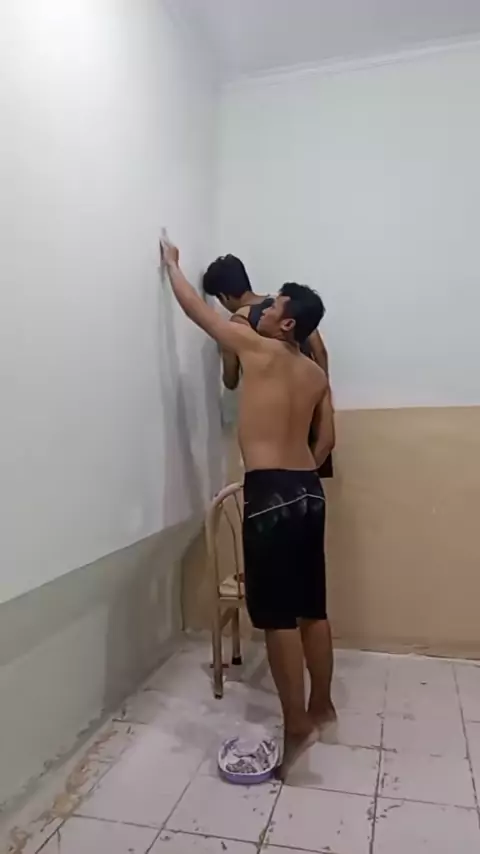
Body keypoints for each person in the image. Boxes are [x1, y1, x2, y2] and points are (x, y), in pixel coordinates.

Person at [161, 238, 336, 779]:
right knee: (313, 608)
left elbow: (196, 309)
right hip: (309, 491)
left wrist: (172, 265)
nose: (263, 308)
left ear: (287, 325)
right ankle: (322, 706)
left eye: (273, 305)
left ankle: (296, 724)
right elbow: (327, 440)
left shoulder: (255, 349)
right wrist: (297, 469)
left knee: (278, 618)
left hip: (271, 494)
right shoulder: (315, 375)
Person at [203, 254, 333, 478]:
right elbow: (320, 351)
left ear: (223, 297)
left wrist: (225, 351)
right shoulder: (289, 306)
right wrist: (323, 392)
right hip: (307, 407)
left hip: (272, 423)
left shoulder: (241, 320)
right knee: (307, 476)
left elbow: (231, 380)